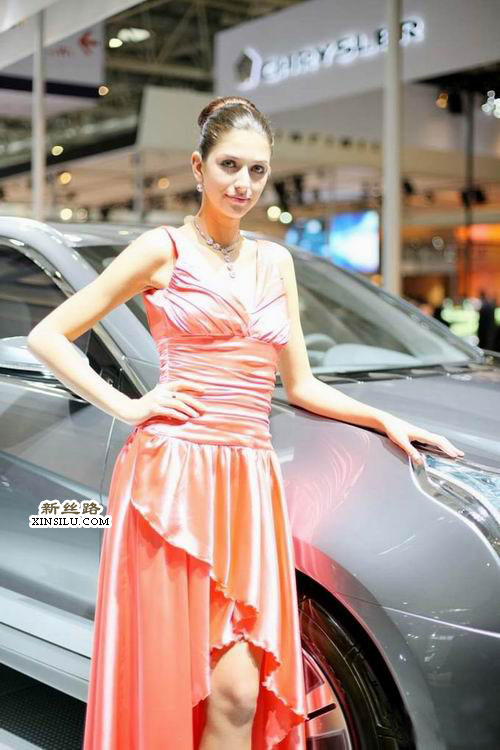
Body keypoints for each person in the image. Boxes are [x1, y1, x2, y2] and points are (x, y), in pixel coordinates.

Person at [26, 95, 464, 750]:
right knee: (170, 682)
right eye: (230, 165)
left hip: (248, 482)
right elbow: (49, 336)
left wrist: (385, 420)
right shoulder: (161, 250)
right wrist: (129, 405)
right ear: (198, 166)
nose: (243, 184)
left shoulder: (275, 261)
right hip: (173, 481)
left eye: (257, 170)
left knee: (238, 692)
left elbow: (302, 384)